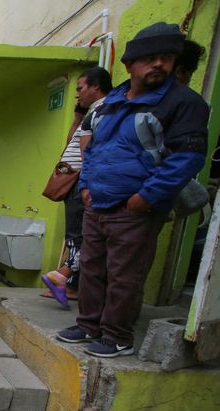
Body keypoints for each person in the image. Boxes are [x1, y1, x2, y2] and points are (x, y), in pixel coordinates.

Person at [57, 22, 210, 358]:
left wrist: (145, 198)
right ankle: (88, 325)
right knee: (93, 267)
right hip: (98, 202)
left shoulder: (182, 102)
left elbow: (187, 159)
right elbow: (92, 148)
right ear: (130, 64)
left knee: (125, 274)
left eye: (166, 58)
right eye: (149, 58)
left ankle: (116, 335)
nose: (158, 64)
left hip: (134, 207)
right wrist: (85, 188)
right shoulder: (113, 101)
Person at [41, 67, 112, 307]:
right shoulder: (91, 114)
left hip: (83, 183)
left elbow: (90, 153)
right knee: (76, 237)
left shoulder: (105, 111)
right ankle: (68, 282)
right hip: (74, 183)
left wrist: (87, 184)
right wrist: (78, 116)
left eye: (80, 89)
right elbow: (72, 142)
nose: (78, 95)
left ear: (96, 86)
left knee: (83, 238)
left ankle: (63, 275)